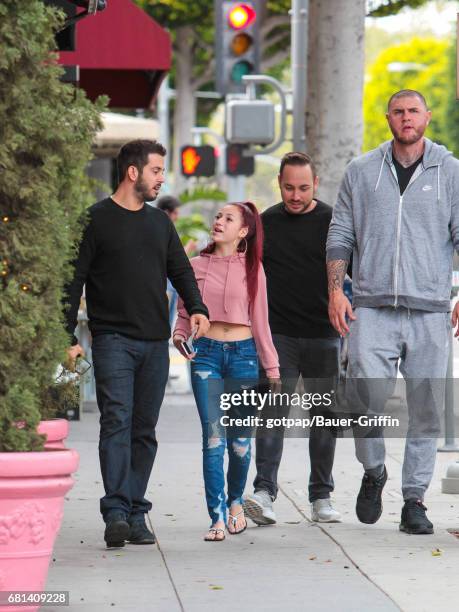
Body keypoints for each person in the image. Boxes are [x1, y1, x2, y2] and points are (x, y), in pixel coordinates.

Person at [64, 139, 210, 548]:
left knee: (144, 430)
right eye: (156, 170)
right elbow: (72, 282)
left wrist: (196, 307)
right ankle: (115, 512)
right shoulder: (93, 220)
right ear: (133, 172)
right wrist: (66, 336)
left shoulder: (159, 224)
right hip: (111, 340)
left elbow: (181, 271)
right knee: (117, 422)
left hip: (153, 343)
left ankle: (135, 511)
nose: (162, 178)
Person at [326, 89, 459, 535]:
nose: (406, 118)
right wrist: (335, 291)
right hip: (371, 307)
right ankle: (374, 470)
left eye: (413, 111)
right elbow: (340, 233)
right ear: (387, 118)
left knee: (426, 410)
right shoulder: (361, 171)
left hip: (430, 311)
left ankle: (414, 501)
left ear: (427, 116)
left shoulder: (451, 171)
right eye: (399, 112)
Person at [243, 152, 342, 527]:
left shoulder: (334, 221)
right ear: (279, 183)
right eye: (288, 187)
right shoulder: (265, 224)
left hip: (324, 333)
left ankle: (321, 496)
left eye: (303, 187)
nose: (295, 195)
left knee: (324, 417)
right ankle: (264, 492)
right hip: (278, 334)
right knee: (273, 413)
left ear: (315, 184)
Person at [173, 201, 280, 541]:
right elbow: (183, 311)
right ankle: (216, 516)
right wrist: (179, 334)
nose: (218, 221)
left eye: (228, 218)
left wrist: (272, 366)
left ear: (243, 231)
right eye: (218, 216)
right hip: (205, 357)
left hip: (245, 357)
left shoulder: (254, 268)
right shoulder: (194, 265)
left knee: (240, 443)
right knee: (214, 438)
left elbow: (261, 322)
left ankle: (236, 502)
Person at [156, 195, 197, 327]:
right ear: (167, 212)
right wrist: (188, 249)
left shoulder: (162, 227)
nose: (177, 217)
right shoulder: (161, 228)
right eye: (175, 213)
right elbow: (170, 259)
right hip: (164, 283)